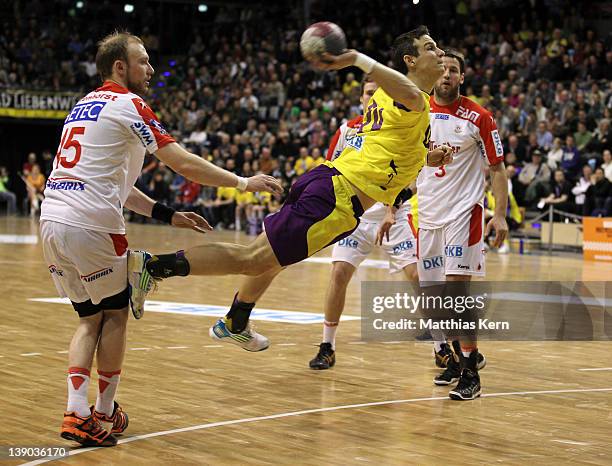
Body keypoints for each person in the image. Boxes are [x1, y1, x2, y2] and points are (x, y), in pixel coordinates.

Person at [136, 26, 452, 353]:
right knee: (252, 258)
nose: (440, 53)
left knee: (274, 259)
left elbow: (391, 151)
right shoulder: (408, 95)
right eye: (431, 48)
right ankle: (151, 267)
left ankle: (236, 320)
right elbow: (407, 92)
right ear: (409, 61)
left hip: (327, 183)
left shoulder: (398, 100)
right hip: (337, 198)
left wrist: (429, 157)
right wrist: (356, 59)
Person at [40, 31, 281, 448]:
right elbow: (181, 161)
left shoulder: (82, 106)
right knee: (115, 315)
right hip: (94, 225)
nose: (150, 70)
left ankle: (77, 410)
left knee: (88, 319)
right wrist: (243, 182)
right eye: (144, 62)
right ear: (121, 67)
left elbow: (118, 185)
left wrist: (168, 214)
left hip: (54, 220)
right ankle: (101, 412)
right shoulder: (129, 103)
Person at [415, 49, 508, 401]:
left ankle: (470, 373)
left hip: (463, 213)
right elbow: (407, 157)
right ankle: (457, 359)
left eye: (454, 70)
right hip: (428, 215)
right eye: (443, 69)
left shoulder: (479, 117)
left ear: (462, 78)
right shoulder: (418, 111)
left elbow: (497, 169)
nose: (447, 75)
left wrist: (498, 214)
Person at [309, 77, 419, 370]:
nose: (372, 98)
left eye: (378, 94)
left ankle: (441, 345)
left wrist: (390, 209)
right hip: (356, 215)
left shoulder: (401, 128)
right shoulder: (347, 129)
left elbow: (410, 177)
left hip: (393, 213)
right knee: (339, 273)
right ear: (361, 98)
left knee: (417, 276)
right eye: (368, 93)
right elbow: (329, 171)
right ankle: (327, 345)